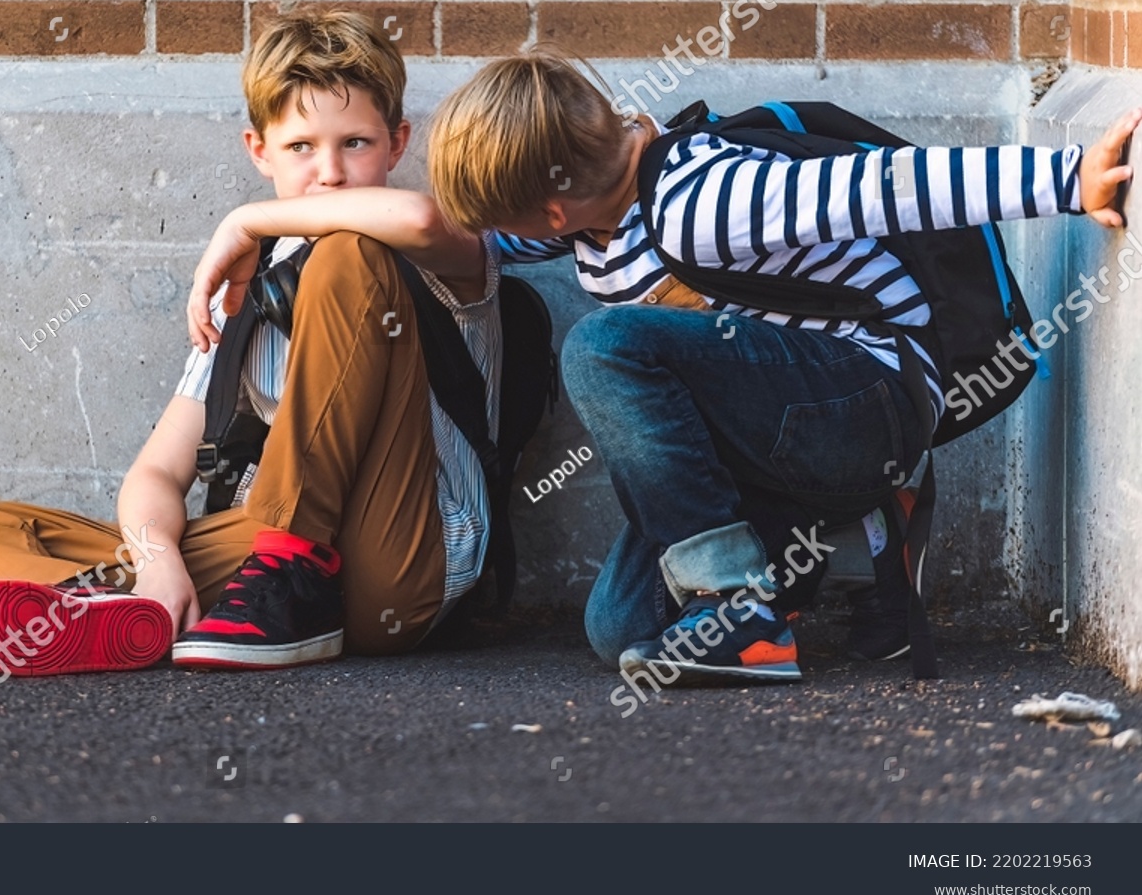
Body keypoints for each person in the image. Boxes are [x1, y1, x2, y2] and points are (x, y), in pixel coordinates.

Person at [420, 46, 1140, 686]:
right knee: (620, 628)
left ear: (548, 212)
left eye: (509, 222)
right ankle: (839, 542)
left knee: (604, 345)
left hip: (865, 398)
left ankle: (742, 608)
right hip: (778, 428)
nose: (500, 237)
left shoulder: (704, 200)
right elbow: (455, 237)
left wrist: (1070, 179)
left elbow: (889, 186)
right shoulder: (595, 215)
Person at [0, 9, 498, 683]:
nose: (331, 172)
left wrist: (244, 219)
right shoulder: (246, 292)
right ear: (258, 150)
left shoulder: (428, 257)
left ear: (397, 143)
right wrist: (157, 559)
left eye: (355, 143)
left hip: (405, 557)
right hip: (267, 567)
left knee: (348, 252)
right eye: (300, 147)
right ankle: (130, 612)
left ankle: (244, 574)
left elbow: (417, 215)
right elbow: (156, 475)